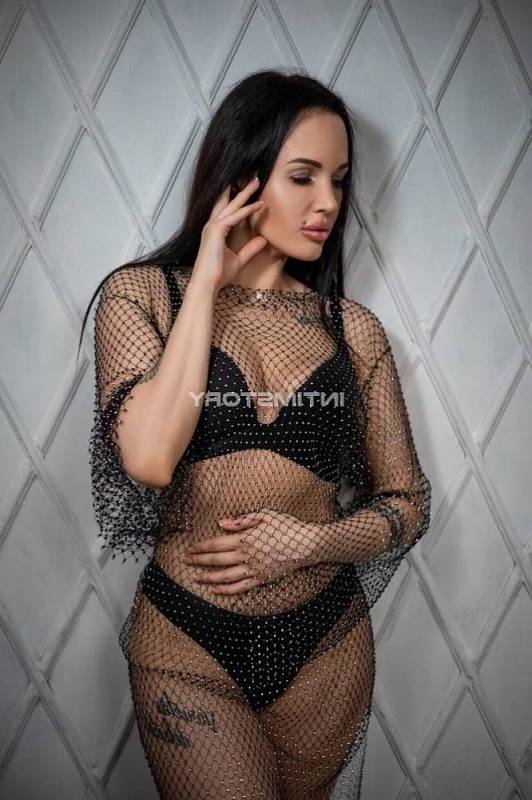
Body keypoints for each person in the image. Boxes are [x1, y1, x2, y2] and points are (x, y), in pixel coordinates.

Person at [79, 69, 432, 800]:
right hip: (187, 645)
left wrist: (311, 543)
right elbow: (149, 458)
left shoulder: (354, 332)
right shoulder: (142, 296)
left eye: (339, 180)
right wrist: (207, 282)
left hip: (326, 651)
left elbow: (408, 504)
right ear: (241, 178)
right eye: (303, 177)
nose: (329, 202)